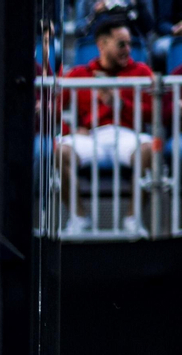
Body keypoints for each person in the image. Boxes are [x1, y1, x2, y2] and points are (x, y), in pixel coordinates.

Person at [57, 18, 157, 234]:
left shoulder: (141, 71)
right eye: (122, 44)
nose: (128, 50)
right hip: (91, 137)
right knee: (60, 151)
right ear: (102, 44)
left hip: (129, 136)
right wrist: (69, 131)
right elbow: (53, 109)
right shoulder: (79, 74)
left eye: (130, 44)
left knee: (151, 149)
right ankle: (78, 219)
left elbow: (156, 114)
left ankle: (133, 220)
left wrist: (120, 104)